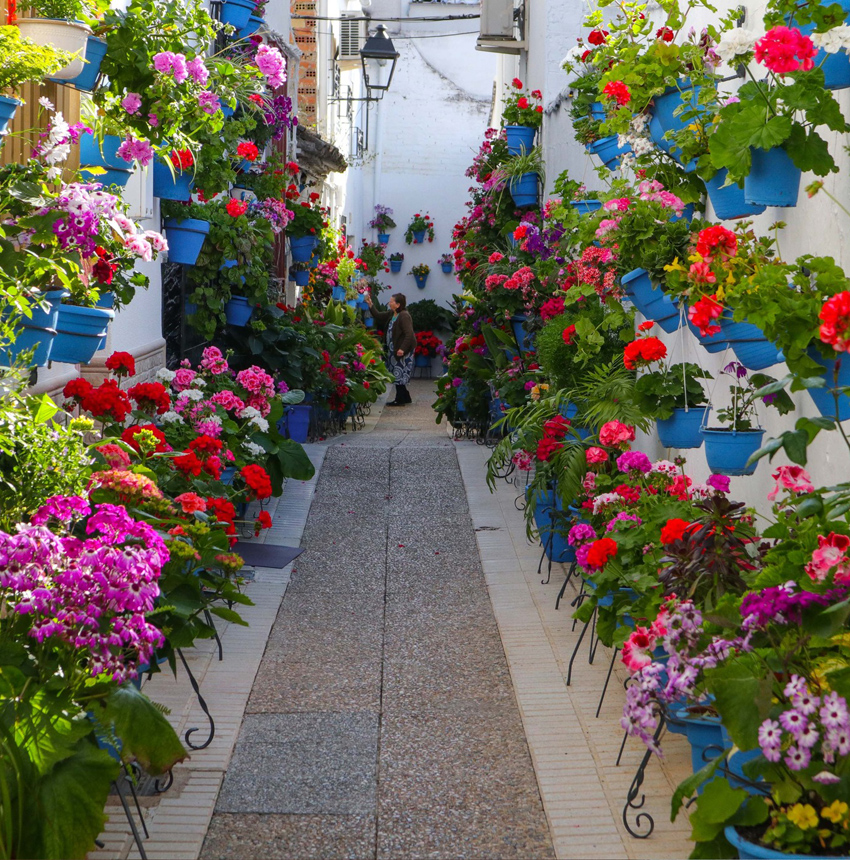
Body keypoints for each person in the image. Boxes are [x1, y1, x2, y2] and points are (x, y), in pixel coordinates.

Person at [364, 291, 416, 406]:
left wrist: (402, 349)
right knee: (396, 373)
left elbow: (409, 334)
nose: (389, 303)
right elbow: (378, 316)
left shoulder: (404, 316)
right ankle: (405, 396)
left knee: (399, 374)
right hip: (394, 350)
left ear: (398, 304)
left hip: (402, 350)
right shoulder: (392, 314)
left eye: (391, 301)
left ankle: (400, 398)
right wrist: (370, 304)